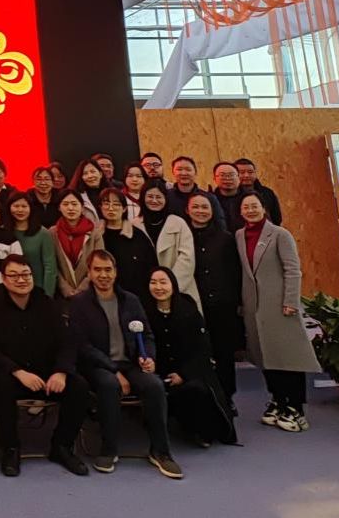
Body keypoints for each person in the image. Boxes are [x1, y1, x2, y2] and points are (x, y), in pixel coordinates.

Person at [68, 250, 182, 479]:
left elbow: (147, 335)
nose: (103, 275)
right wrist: (113, 370)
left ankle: (161, 451)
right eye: (97, 270)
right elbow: (82, 346)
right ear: (89, 273)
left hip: (130, 364)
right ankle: (108, 449)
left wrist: (149, 357)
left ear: (116, 272)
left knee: (155, 385)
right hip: (98, 366)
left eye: (108, 270)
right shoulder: (79, 303)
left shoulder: (131, 300)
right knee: (110, 385)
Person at [0, 254, 89, 477]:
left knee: (78, 386)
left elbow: (67, 342)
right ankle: (10, 448)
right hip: (12, 374)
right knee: (0, 385)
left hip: (46, 375)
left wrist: (61, 372)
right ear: (4, 279)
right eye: (14, 275)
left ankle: (62, 447)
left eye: (26, 274)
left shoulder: (47, 303)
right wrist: (18, 372)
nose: (21, 280)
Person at [237, 194, 320, 432]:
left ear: (263, 208)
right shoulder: (239, 236)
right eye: (246, 207)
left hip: (280, 306)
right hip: (254, 307)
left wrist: (290, 301)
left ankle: (296, 408)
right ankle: (278, 399)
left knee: (288, 356)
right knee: (265, 355)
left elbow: (292, 269)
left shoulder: (280, 234)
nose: (250, 210)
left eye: (254, 206)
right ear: (241, 212)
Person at [143, 267, 236, 447]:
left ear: (173, 285)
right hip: (158, 371)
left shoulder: (188, 310)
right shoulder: (144, 311)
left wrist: (183, 374)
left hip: (189, 370)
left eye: (163, 282)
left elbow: (202, 349)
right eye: (153, 282)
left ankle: (200, 431)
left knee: (197, 390)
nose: (158, 287)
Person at [186, 194, 242, 403]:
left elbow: (235, 272)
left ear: (212, 210)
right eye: (196, 207)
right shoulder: (184, 237)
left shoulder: (226, 238)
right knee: (196, 352)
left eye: (205, 207)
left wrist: (236, 302)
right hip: (193, 304)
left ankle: (227, 398)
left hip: (222, 305)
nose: (200, 211)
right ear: (187, 210)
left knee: (224, 353)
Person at [138, 183, 199, 309]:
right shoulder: (135, 225)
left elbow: (187, 258)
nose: (154, 200)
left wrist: (170, 286)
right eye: (150, 196)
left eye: (158, 197)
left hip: (180, 290)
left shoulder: (178, 223)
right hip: (146, 292)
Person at [90, 188, 156, 302]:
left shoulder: (137, 235)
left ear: (124, 208)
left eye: (116, 204)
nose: (111, 208)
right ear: (100, 207)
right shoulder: (95, 236)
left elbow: (151, 266)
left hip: (135, 297)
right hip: (101, 296)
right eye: (106, 204)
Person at [8, 193, 57, 297]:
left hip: (37, 290)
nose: (20, 210)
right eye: (16, 206)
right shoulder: (4, 231)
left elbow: (50, 267)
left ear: (30, 208)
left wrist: (47, 295)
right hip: (10, 289)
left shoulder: (42, 233)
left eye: (24, 206)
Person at [50, 190, 95, 299]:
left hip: (90, 291)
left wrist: (82, 288)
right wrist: (64, 288)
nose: (70, 208)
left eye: (74, 204)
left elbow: (98, 263)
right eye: (65, 204)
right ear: (59, 208)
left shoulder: (94, 232)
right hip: (61, 294)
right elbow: (52, 264)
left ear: (82, 208)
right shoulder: (52, 233)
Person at [167, 156, 225, 229]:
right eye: (179, 169)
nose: (184, 173)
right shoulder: (166, 196)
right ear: (173, 172)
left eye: (188, 169)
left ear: (195, 172)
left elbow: (220, 224)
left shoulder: (209, 197)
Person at [235, 158, 282, 225]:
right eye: (242, 172)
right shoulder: (232, 195)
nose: (246, 175)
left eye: (250, 172)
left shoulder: (267, 192)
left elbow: (276, 218)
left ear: (255, 173)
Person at [210, 161, 250, 234]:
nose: (227, 178)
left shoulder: (250, 197)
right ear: (214, 179)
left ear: (238, 177)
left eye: (231, 175)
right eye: (222, 175)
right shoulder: (210, 200)